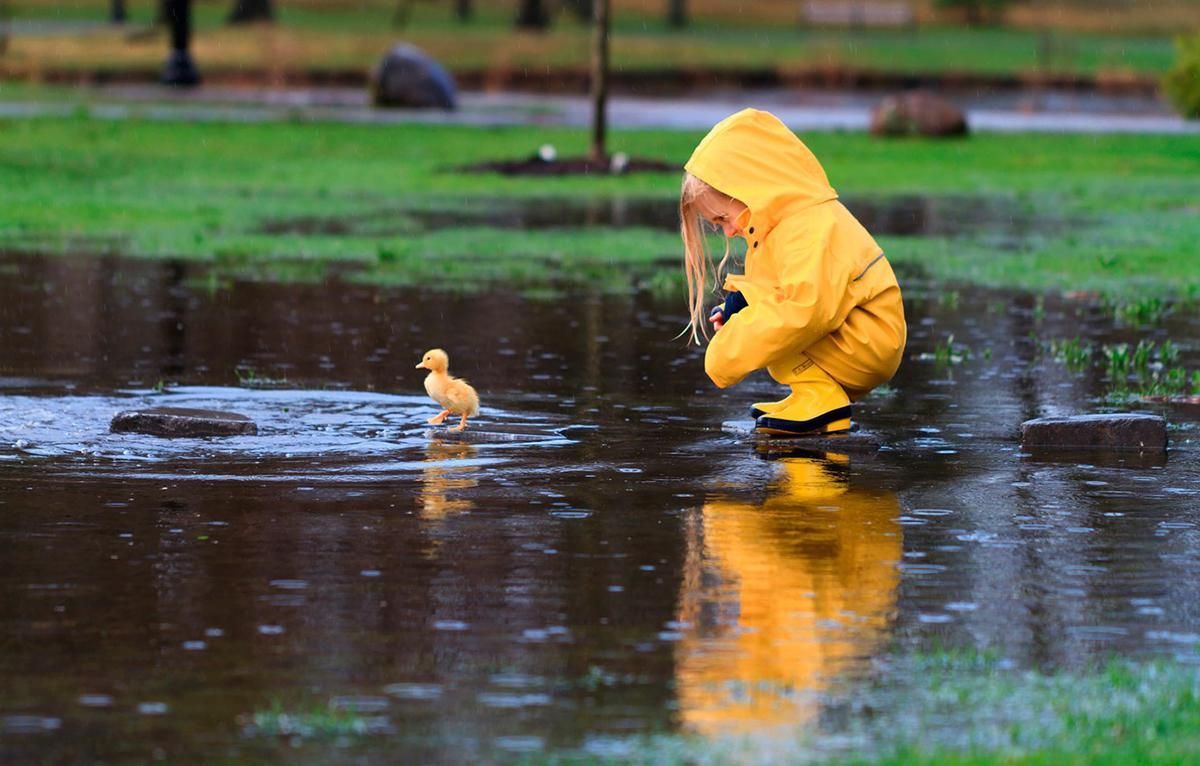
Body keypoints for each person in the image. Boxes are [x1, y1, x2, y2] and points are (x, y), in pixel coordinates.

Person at [680, 108, 907, 436]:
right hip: (855, 336)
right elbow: (778, 288)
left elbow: (806, 311)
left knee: (779, 329)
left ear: (749, 190)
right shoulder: (782, 225)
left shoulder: (808, 227)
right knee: (769, 324)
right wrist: (739, 307)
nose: (728, 232)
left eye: (723, 219)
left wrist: (727, 353)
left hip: (867, 344)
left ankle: (823, 400)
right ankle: (811, 394)